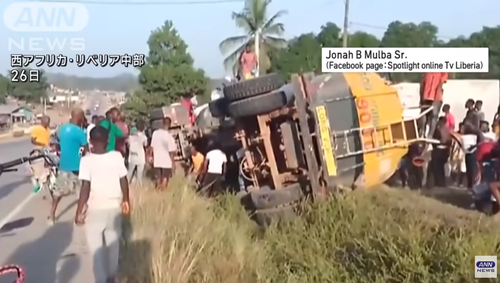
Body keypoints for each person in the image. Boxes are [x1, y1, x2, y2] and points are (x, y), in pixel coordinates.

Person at [75, 125, 130, 283]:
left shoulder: (86, 160)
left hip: (95, 210)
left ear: (90, 141)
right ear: (107, 140)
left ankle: (101, 279)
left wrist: (79, 211)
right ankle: (112, 276)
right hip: (114, 208)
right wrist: (126, 200)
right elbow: (123, 180)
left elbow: (85, 187)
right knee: (114, 244)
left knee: (96, 249)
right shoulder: (116, 156)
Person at [52, 108, 88, 224]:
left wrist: (61, 151)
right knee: (81, 193)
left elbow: (55, 143)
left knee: (58, 193)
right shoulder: (80, 132)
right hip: (77, 167)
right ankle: (79, 217)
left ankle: (52, 215)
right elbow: (84, 148)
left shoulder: (61, 129)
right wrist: (79, 153)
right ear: (80, 118)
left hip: (63, 165)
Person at [150, 117, 176, 190]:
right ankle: (162, 193)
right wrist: (173, 164)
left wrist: (150, 157)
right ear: (169, 125)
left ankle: (158, 192)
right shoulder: (169, 136)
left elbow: (151, 147)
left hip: (157, 160)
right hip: (166, 162)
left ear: (162, 123)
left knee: (158, 178)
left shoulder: (155, 133)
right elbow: (171, 152)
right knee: (165, 178)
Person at [427, 117, 451, 188]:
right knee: (441, 167)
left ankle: (437, 182)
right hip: (445, 150)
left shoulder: (438, 129)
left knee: (436, 167)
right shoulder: (448, 130)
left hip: (438, 150)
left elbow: (436, 139)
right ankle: (442, 183)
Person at [30, 115, 51, 187]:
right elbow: (32, 141)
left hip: (46, 149)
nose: (48, 124)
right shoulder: (37, 129)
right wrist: (42, 144)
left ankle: (44, 181)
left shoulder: (48, 129)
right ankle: (36, 179)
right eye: (46, 122)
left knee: (47, 167)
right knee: (38, 167)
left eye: (48, 122)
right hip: (38, 149)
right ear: (42, 122)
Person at [127, 120, 148, 187]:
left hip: (132, 156)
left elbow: (128, 144)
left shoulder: (130, 137)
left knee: (129, 173)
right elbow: (145, 145)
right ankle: (139, 187)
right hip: (140, 156)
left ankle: (126, 185)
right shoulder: (144, 137)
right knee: (139, 175)